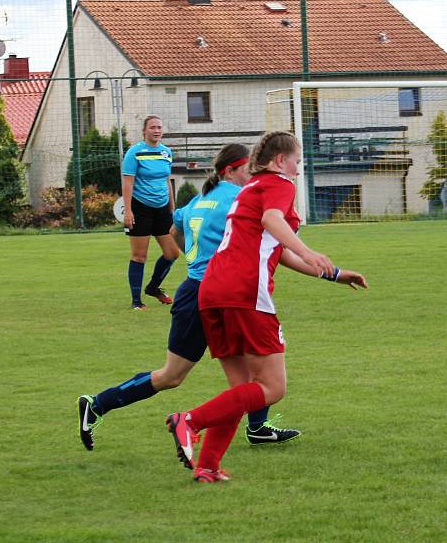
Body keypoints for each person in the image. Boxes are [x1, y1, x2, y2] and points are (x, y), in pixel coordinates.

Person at [166, 131, 368, 483]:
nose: (297, 168)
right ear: (279, 161)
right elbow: (272, 222)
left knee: (241, 389)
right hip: (244, 291)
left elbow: (279, 250)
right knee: (273, 388)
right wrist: (311, 251)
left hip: (212, 290)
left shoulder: (249, 189)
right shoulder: (278, 183)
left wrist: (333, 274)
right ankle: (190, 421)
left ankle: (208, 466)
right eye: (296, 160)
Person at [78, 144, 301, 457]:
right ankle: (99, 403)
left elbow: (175, 228)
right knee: (173, 376)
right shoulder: (239, 198)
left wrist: (194, 258)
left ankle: (257, 429)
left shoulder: (200, 199)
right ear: (231, 170)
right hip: (218, 292)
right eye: (249, 167)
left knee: (252, 370)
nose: (254, 173)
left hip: (200, 288)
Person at [122, 115, 180, 310]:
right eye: (153, 127)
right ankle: (136, 302)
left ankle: (153, 288)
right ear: (144, 131)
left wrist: (172, 208)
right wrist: (128, 211)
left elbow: (167, 180)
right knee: (139, 256)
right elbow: (127, 183)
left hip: (162, 208)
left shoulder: (166, 152)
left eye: (159, 127)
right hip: (140, 208)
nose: (157, 130)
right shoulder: (135, 152)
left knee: (172, 253)